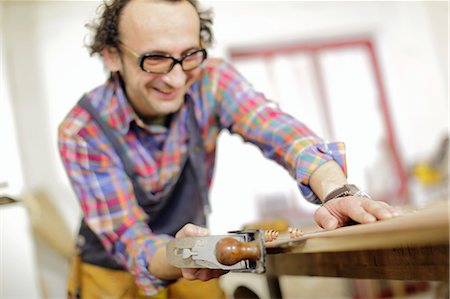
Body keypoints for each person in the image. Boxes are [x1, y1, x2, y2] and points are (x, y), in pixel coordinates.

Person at [58, 0, 402, 298]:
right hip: (113, 275)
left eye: (189, 55)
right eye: (155, 59)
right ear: (112, 55)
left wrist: (336, 189)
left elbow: (275, 128)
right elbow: (131, 243)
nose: (177, 80)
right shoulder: (82, 132)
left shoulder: (211, 81)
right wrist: (186, 255)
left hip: (193, 257)